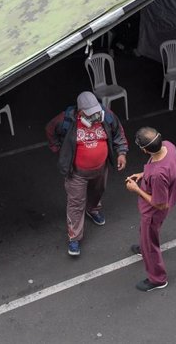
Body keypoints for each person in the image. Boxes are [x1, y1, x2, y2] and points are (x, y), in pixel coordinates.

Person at [46, 91, 128, 256]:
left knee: (97, 192)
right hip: (76, 173)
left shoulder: (106, 115)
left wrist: (122, 153)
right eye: (90, 114)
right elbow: (50, 130)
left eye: (96, 112)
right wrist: (59, 149)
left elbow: (118, 133)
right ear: (80, 111)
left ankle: (93, 209)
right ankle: (74, 238)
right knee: (76, 203)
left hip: (100, 169)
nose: (95, 116)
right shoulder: (66, 120)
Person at [125, 127, 176, 292]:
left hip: (153, 211)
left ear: (144, 149)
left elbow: (160, 203)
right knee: (146, 234)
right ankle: (144, 246)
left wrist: (136, 189)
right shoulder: (169, 146)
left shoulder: (157, 174)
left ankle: (158, 279)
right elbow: (161, 168)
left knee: (151, 244)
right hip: (168, 195)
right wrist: (144, 174)